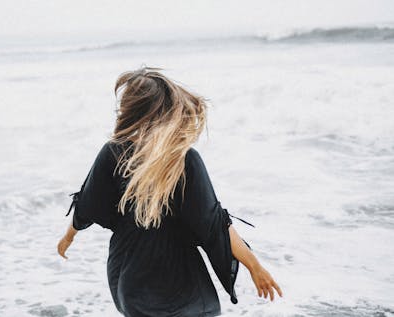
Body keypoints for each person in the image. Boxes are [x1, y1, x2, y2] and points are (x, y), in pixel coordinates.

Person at [57, 67, 283, 317]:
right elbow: (214, 223)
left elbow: (87, 204)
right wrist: (254, 265)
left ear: (131, 110)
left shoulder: (114, 152)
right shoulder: (184, 159)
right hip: (180, 284)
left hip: (130, 277)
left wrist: (68, 237)